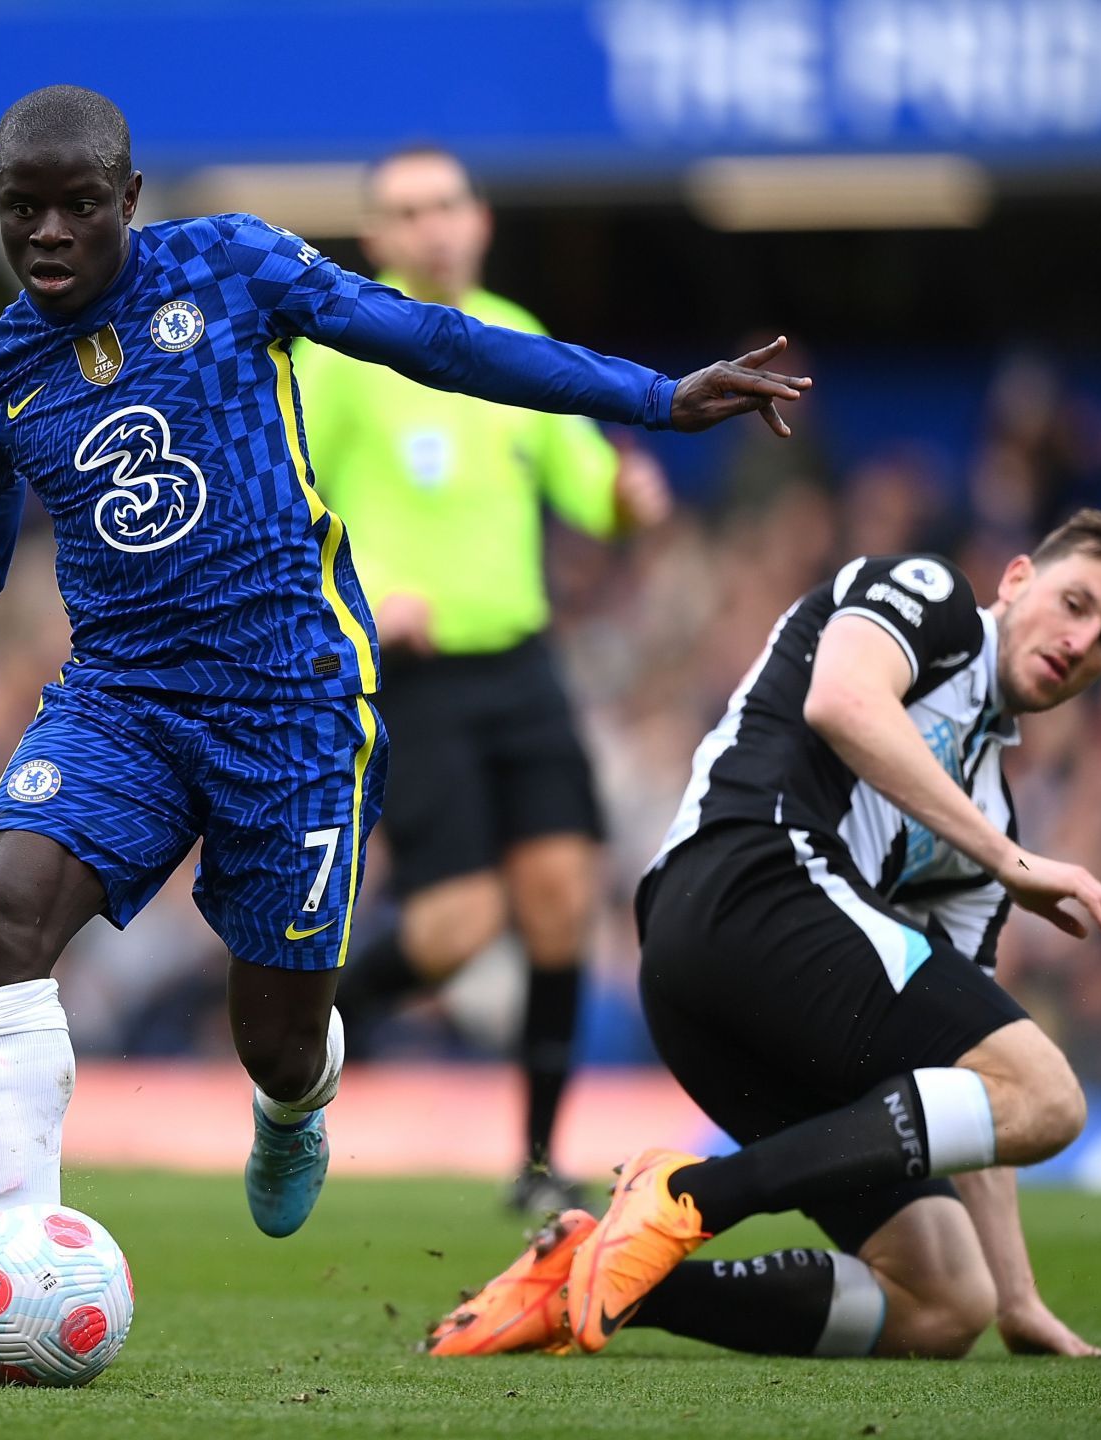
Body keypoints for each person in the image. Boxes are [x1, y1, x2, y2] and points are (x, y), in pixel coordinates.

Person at [0, 84, 813, 1380]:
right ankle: (15, 1261)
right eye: (18, 209)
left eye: (75, 205)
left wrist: (651, 397)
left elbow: (432, 338)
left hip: (296, 704)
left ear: (129, 201)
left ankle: (293, 1100)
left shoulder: (232, 265)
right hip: (124, 701)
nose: (45, 232)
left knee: (272, 1035)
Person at [428, 510, 1101, 1361]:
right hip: (746, 877)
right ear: (1017, 578)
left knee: (946, 1301)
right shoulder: (935, 600)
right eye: (1075, 604)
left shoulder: (986, 811)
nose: (1084, 642)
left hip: (732, 997)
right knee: (1057, 1098)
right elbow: (841, 699)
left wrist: (1017, 1297)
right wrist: (1009, 860)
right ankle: (694, 1195)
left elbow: (976, 1076)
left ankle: (586, 1280)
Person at [296, 146, 671, 1213]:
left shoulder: (515, 337)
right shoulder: (343, 351)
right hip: (411, 676)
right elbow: (283, 496)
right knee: (456, 930)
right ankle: (306, 1040)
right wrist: (363, 597)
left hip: (521, 663)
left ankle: (541, 1167)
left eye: (446, 205)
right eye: (406, 212)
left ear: (482, 218)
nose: (431, 227)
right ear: (377, 239)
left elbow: (584, 477)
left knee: (561, 906)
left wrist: (628, 496)